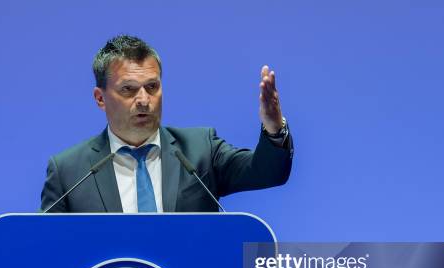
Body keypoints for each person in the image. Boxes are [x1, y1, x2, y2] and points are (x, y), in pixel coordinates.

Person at [40, 35, 294, 213]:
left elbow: (267, 172)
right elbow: (47, 251)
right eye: (128, 89)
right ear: (100, 98)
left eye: (152, 87)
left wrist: (273, 128)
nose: (143, 100)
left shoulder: (200, 150)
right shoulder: (69, 172)